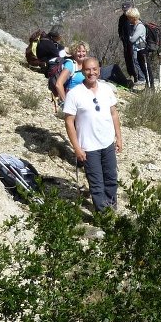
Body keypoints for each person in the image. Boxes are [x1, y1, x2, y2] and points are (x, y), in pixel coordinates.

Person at [61, 57, 124, 212]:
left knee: (111, 179)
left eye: (94, 69)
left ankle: (111, 209)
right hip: (89, 146)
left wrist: (119, 137)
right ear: (83, 71)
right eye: (88, 69)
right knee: (96, 183)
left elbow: (114, 113)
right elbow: (69, 122)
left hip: (107, 142)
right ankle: (102, 215)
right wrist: (76, 148)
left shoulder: (106, 89)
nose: (91, 73)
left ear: (99, 70)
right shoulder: (74, 94)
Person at [125, 6, 153, 90]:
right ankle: (148, 86)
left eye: (129, 18)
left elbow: (132, 39)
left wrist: (129, 37)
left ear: (133, 18)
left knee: (146, 69)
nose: (128, 19)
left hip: (142, 50)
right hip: (140, 50)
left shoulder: (140, 26)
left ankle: (151, 87)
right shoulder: (136, 25)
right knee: (144, 68)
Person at [118, 2, 137, 80]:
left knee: (136, 59)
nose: (125, 11)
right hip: (125, 42)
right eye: (124, 10)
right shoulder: (122, 18)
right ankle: (132, 75)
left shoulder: (134, 17)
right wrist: (121, 37)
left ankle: (139, 76)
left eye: (127, 10)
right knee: (128, 58)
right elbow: (119, 29)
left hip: (135, 43)